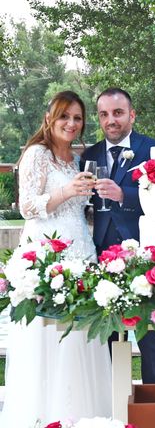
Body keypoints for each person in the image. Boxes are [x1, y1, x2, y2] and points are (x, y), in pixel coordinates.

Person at [0, 91, 112, 427]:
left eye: (77, 118)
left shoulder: (75, 160)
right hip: (49, 257)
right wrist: (67, 191)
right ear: (50, 117)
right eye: (65, 116)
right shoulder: (37, 154)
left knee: (81, 339)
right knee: (47, 338)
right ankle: (44, 416)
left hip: (81, 252)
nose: (71, 124)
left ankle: (84, 415)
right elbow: (28, 207)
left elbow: (77, 208)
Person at [80, 87, 155, 384]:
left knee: (152, 339)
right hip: (102, 256)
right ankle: (114, 408)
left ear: (132, 115)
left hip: (146, 257)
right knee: (109, 339)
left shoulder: (154, 150)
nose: (111, 120)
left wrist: (124, 195)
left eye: (117, 113)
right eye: (104, 114)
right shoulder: (89, 155)